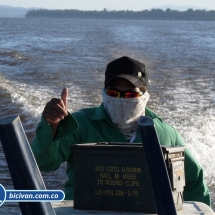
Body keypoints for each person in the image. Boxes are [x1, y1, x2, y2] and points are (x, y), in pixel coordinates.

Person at [31, 56, 211, 206]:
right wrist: (52, 125)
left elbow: (194, 182)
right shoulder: (79, 124)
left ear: (144, 95)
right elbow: (43, 162)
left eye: (131, 94)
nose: (121, 100)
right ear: (103, 92)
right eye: (114, 93)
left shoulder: (166, 133)